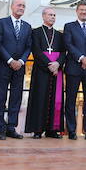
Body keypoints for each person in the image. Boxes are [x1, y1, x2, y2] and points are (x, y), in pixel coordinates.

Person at [25, 7, 66, 139]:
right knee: (40, 98)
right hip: (41, 70)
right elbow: (36, 51)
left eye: (54, 15)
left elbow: (64, 52)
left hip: (56, 71)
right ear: (43, 16)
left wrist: (57, 64)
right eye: (50, 15)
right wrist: (50, 65)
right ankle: (37, 129)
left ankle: (52, 130)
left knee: (55, 99)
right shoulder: (36, 32)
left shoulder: (59, 35)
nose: (52, 17)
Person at [0, 0, 32, 140]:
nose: (21, 8)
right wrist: (10, 60)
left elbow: (29, 47)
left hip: (19, 68)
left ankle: (11, 127)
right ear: (12, 7)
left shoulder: (27, 26)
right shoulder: (1, 23)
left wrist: (21, 61)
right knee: (1, 97)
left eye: (23, 6)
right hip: (3, 65)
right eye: (19, 5)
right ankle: (0, 128)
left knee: (16, 98)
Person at [63, 1, 86, 139]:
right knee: (70, 100)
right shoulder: (69, 26)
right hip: (74, 67)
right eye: (82, 10)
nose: (84, 12)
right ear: (77, 11)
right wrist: (82, 58)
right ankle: (71, 131)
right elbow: (68, 45)